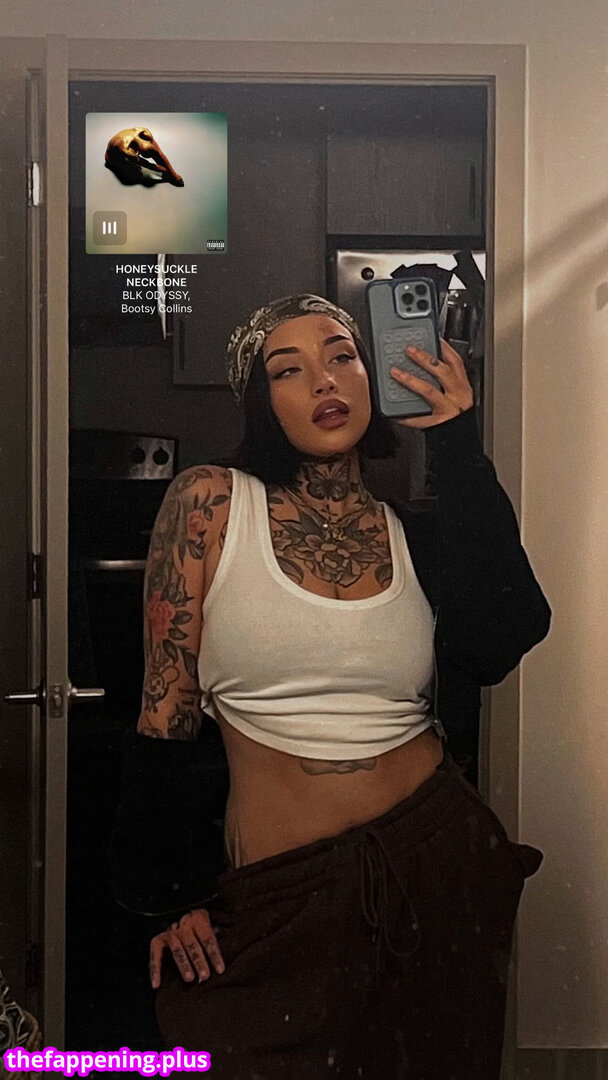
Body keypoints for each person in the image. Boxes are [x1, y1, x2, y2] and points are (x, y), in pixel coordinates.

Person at [112, 294, 551, 1078]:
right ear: (260, 399)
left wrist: (457, 441)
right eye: (289, 369)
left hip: (436, 868)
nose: (324, 379)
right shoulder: (212, 503)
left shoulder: (411, 531)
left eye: (343, 356)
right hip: (281, 897)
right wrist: (168, 892)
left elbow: (504, 637)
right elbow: (165, 706)